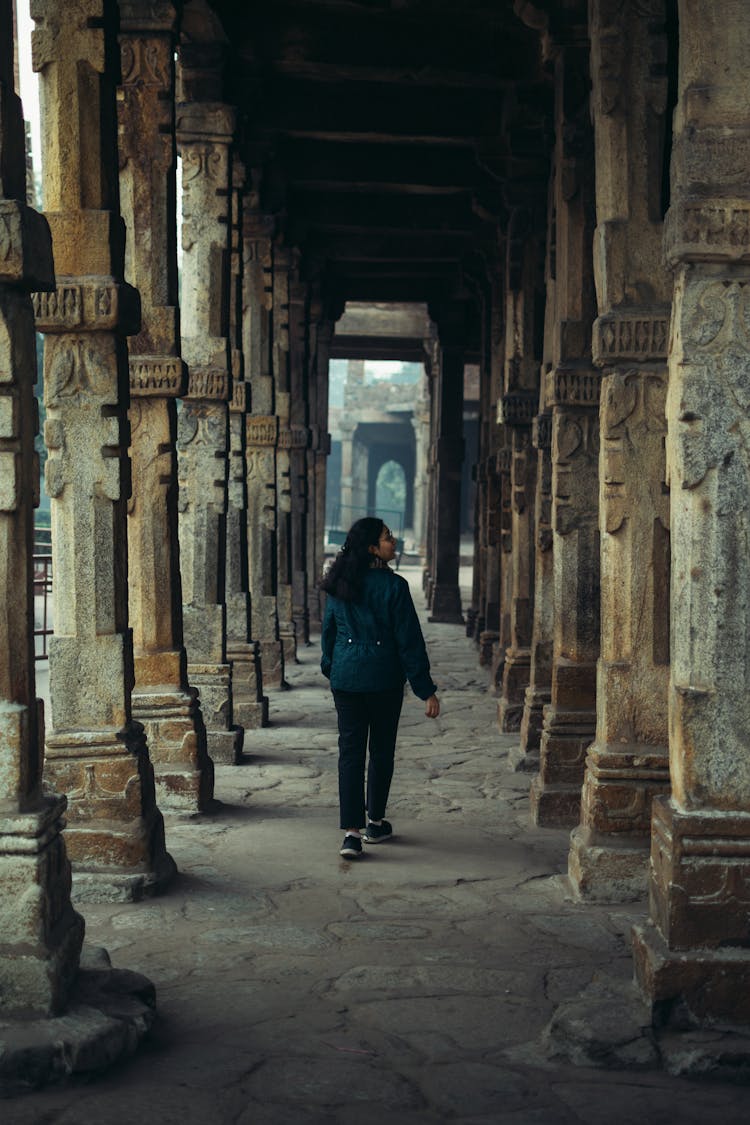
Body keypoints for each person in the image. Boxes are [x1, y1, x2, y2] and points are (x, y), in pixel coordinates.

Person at [320, 516, 440, 858]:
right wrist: (425, 689)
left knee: (350, 753)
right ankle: (375, 821)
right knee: (381, 750)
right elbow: (409, 643)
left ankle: (351, 834)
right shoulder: (394, 587)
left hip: (347, 680)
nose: (394, 541)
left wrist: (334, 668)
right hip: (384, 679)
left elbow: (328, 634)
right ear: (373, 548)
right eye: (388, 538)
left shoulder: (340, 583)